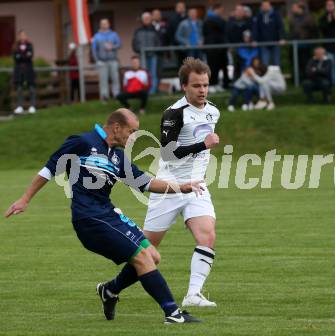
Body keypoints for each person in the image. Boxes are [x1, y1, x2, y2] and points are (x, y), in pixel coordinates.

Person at [4, 108, 202, 324]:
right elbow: (49, 169)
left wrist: (181, 187)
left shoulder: (117, 156)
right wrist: (25, 199)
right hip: (88, 219)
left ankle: (110, 290)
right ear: (116, 127)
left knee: (152, 256)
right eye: (131, 131)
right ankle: (172, 313)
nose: (133, 137)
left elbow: (145, 182)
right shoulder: (81, 142)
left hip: (108, 213)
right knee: (142, 258)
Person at [143, 57, 220, 307]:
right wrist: (203, 144)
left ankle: (193, 295)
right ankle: (111, 288)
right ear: (184, 86)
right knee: (146, 252)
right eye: (197, 86)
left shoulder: (213, 111)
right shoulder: (174, 114)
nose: (202, 90)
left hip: (196, 186)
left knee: (207, 236)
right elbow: (167, 153)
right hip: (169, 186)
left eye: (206, 85)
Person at [92, 18, 121, 102]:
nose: (104, 25)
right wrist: (97, 60)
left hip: (113, 60)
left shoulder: (114, 34)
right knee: (103, 80)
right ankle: (104, 97)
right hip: (102, 61)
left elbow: (119, 44)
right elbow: (94, 49)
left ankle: (117, 95)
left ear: (109, 24)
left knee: (115, 79)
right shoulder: (97, 36)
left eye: (106, 23)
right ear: (100, 25)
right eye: (102, 24)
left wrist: (112, 47)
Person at [288, 1, 319, 80]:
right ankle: (297, 79)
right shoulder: (293, 18)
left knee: (305, 62)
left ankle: (307, 78)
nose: (292, 9)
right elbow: (291, 31)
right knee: (295, 63)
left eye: (294, 8)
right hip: (295, 45)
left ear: (299, 8)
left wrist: (312, 41)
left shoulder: (308, 17)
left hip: (305, 44)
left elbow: (314, 30)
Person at [132, 12, 161, 94]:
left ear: (150, 19)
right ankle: (144, 91)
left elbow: (158, 43)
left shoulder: (155, 30)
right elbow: (134, 43)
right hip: (142, 56)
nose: (146, 20)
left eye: (148, 18)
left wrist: (155, 51)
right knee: (143, 74)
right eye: (145, 19)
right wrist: (139, 50)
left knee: (153, 74)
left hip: (153, 56)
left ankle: (152, 92)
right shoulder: (138, 31)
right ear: (142, 20)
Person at [203, 4, 229, 92]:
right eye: (221, 10)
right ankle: (212, 84)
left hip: (219, 48)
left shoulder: (215, 19)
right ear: (216, 9)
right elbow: (223, 26)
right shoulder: (210, 19)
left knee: (219, 66)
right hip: (212, 48)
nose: (222, 12)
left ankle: (217, 84)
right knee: (213, 67)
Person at [252, 1, 285, 66]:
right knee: (265, 63)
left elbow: (280, 27)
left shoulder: (276, 14)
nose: (265, 7)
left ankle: (275, 76)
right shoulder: (259, 16)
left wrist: (281, 38)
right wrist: (254, 40)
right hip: (263, 43)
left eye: (266, 6)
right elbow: (255, 29)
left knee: (276, 63)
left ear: (270, 6)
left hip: (275, 42)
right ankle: (266, 75)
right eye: (263, 6)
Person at [226, 4, 253, 80]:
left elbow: (252, 31)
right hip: (234, 47)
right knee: (236, 65)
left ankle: (247, 81)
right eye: (238, 10)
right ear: (235, 12)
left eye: (242, 11)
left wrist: (250, 39)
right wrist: (229, 45)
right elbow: (227, 34)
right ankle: (236, 82)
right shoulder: (230, 21)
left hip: (246, 47)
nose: (240, 12)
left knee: (246, 65)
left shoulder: (248, 20)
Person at [12, 30, 36, 114]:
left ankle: (32, 106)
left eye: (24, 35)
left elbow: (30, 56)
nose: (23, 36)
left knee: (31, 88)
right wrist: (24, 56)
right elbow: (16, 57)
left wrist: (21, 56)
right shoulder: (15, 46)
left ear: (26, 36)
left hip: (28, 69)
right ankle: (20, 106)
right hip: (19, 70)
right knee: (19, 88)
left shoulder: (30, 46)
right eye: (21, 35)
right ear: (19, 37)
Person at [167, 1, 187, 66]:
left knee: (190, 64)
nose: (181, 8)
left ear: (185, 8)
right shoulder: (172, 19)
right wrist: (172, 43)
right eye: (179, 7)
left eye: (182, 7)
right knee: (180, 63)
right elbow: (170, 33)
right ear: (176, 8)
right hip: (177, 45)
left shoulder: (188, 18)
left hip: (189, 45)